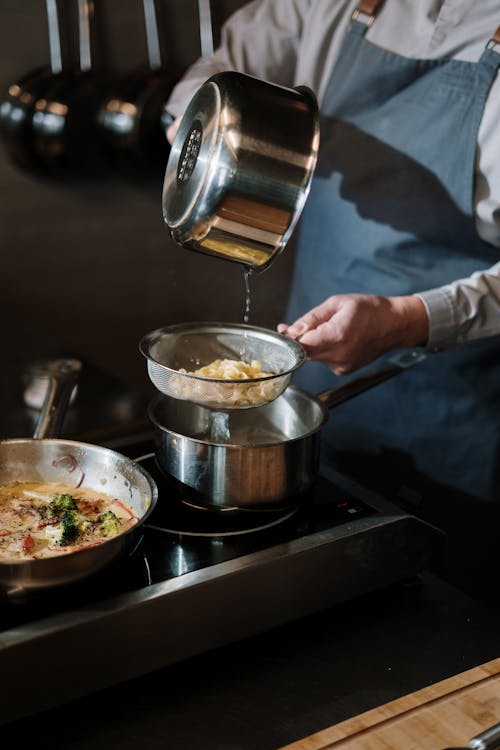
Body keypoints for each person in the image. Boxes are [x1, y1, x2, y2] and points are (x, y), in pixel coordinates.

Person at [164, 0, 500, 529]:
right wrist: (197, 124)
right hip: (319, 385)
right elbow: (225, 65)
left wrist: (411, 318)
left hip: (459, 408)